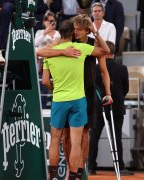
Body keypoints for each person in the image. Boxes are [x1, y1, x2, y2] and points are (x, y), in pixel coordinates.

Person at [39, 19, 109, 180]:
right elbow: (105, 50)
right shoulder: (79, 48)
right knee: (77, 142)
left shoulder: (50, 52)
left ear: (59, 33)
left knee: (56, 140)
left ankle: (53, 176)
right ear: (72, 33)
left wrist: (56, 89)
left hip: (59, 100)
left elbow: (44, 81)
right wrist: (95, 31)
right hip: (78, 100)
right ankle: (73, 177)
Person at [88, 41, 133, 176]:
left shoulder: (94, 68)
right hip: (116, 106)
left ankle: (91, 167)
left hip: (97, 108)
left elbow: (91, 88)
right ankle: (119, 167)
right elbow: (126, 89)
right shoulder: (122, 68)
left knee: (94, 138)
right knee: (116, 137)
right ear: (113, 54)